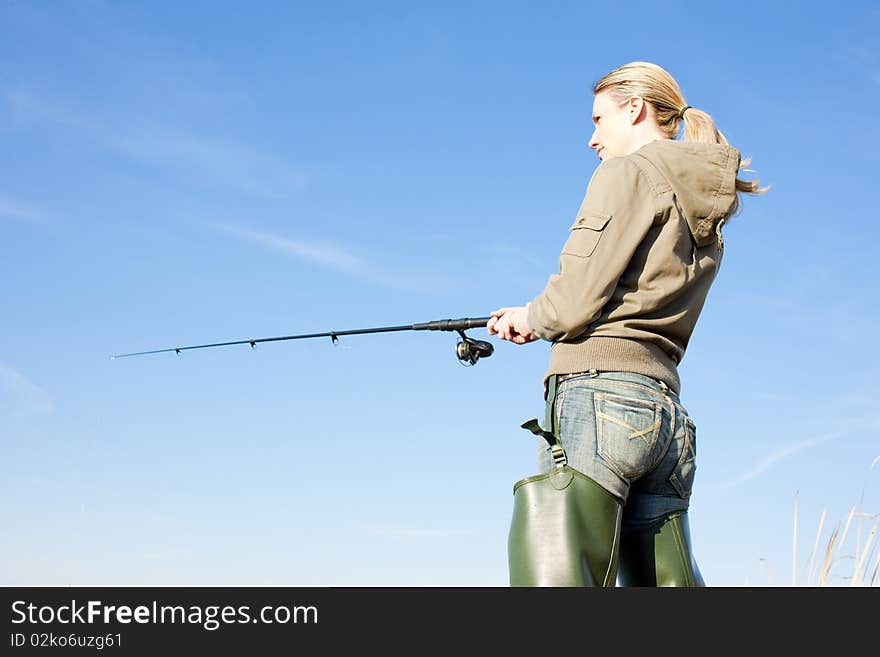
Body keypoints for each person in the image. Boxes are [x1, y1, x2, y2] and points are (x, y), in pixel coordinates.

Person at [488, 61, 768, 587]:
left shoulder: (627, 172)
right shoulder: (706, 211)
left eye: (598, 120)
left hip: (600, 402)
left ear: (635, 108)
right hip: (668, 420)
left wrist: (532, 317)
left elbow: (573, 300)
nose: (591, 139)